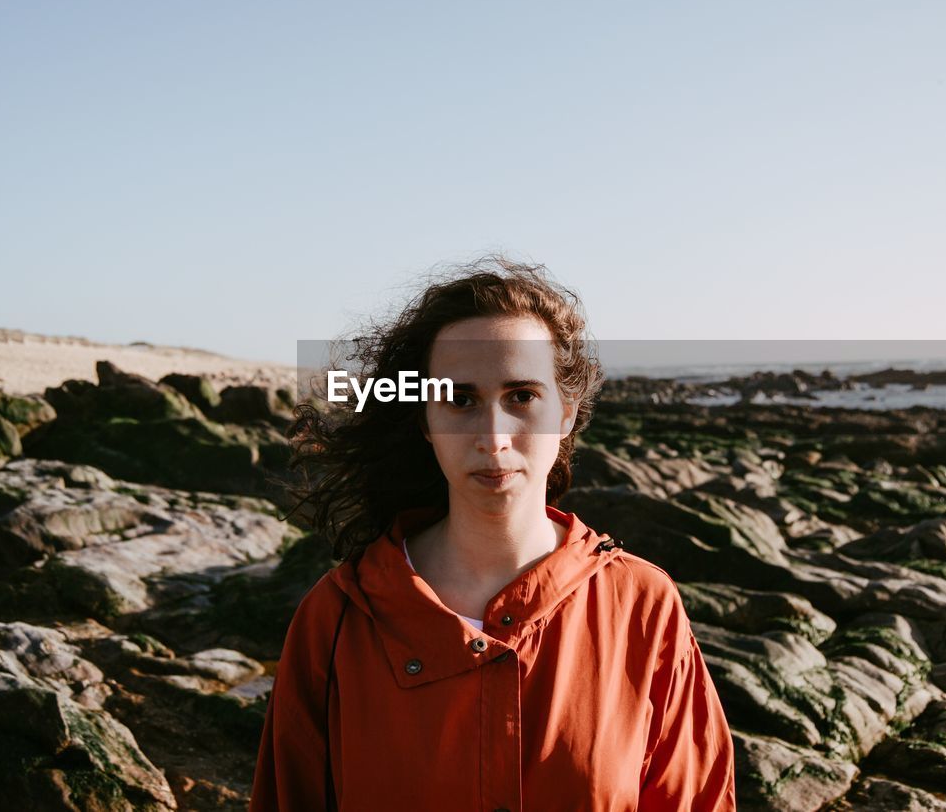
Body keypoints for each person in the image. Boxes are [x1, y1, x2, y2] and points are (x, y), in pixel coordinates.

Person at [249, 255, 735, 811]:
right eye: (461, 400)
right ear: (424, 418)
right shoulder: (335, 619)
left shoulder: (641, 604)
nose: (493, 436)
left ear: (568, 412)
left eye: (522, 397)